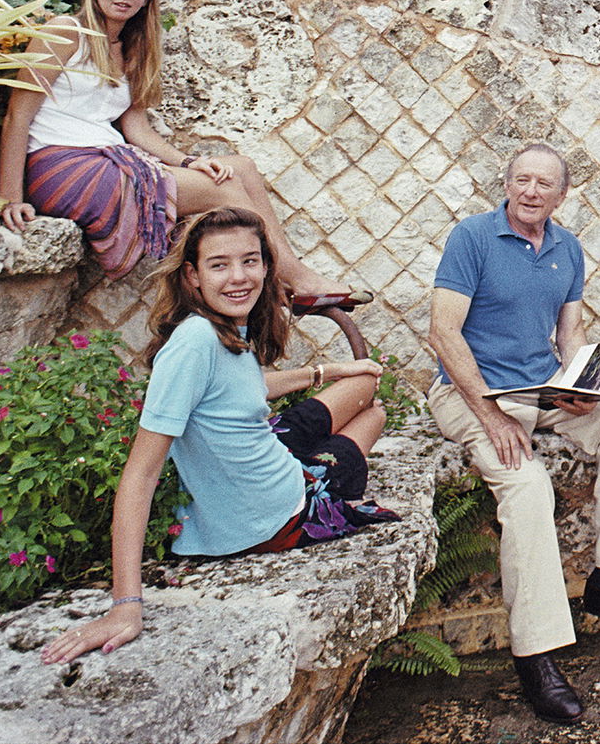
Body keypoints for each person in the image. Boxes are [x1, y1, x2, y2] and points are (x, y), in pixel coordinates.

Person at [39, 206, 393, 666]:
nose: (238, 277)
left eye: (250, 261)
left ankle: (339, 398)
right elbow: (141, 475)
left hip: (265, 449)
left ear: (267, 266)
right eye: (219, 264)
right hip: (281, 512)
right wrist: (126, 605)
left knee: (361, 382)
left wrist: (327, 371)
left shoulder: (219, 328)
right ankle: (335, 454)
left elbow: (241, 390)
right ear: (192, 276)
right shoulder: (193, 345)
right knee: (374, 414)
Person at [423, 144, 600, 724]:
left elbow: (571, 331)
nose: (531, 192)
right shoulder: (472, 238)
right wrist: (490, 413)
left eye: (545, 184)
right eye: (522, 180)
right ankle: (536, 655)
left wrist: (586, 383)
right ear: (506, 184)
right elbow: (442, 332)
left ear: (562, 195)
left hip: (541, 388)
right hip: (472, 394)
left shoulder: (567, 248)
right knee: (529, 485)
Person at [0, 0, 350, 299]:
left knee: (241, 168)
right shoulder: (65, 31)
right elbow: (17, 116)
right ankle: (293, 281)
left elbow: (136, 128)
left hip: (105, 161)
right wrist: (9, 198)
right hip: (61, 167)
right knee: (225, 191)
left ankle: (286, 278)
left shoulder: (134, 50)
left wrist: (190, 162)